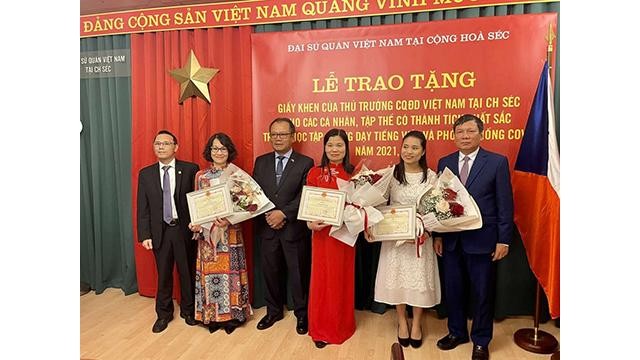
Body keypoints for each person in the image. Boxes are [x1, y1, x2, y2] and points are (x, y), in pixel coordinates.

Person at [433, 114, 514, 360]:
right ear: (454, 135)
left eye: (470, 131)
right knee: (454, 290)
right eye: (460, 132)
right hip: (451, 240)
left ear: (481, 133)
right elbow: (439, 203)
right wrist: (437, 235)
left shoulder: (497, 162)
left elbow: (505, 203)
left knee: (482, 293)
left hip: (483, 240)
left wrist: (504, 239)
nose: (465, 136)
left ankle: (481, 340)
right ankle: (457, 332)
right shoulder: (444, 162)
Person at [367, 130, 441, 349]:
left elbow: (436, 211)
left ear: (423, 151)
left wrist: (426, 232)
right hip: (395, 237)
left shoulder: (432, 176)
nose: (409, 152)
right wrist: (371, 224)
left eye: (415, 148)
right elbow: (377, 203)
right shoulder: (391, 174)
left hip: (420, 239)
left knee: (418, 280)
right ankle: (401, 321)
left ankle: (417, 323)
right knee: (397, 278)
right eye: (405, 147)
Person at [252, 118, 314, 335]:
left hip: (293, 229)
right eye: (274, 134)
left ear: (292, 136)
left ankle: (302, 314)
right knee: (270, 272)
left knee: (298, 274)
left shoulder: (306, 162)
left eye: (282, 134)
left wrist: (283, 213)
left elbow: (305, 195)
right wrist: (270, 215)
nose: (278, 138)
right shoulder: (261, 162)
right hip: (267, 227)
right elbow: (254, 193)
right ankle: (273, 311)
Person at [188, 133, 252, 334]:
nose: (218, 152)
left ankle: (233, 317)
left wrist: (229, 219)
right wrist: (197, 224)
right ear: (209, 151)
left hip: (230, 232)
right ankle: (212, 318)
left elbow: (248, 205)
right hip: (208, 236)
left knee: (231, 275)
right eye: (215, 148)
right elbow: (197, 205)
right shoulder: (201, 176)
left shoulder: (237, 175)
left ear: (229, 151)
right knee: (210, 276)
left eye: (223, 148)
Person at [136, 130, 199, 333]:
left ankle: (188, 311)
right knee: (163, 274)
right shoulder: (145, 174)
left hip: (183, 229)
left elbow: (197, 201)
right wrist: (144, 234)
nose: (161, 147)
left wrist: (198, 224)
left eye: (165, 143)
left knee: (186, 272)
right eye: (157, 143)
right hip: (159, 231)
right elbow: (142, 207)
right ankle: (163, 314)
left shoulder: (190, 170)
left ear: (175, 147)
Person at [306, 128, 356, 348]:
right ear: (324, 148)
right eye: (330, 145)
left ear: (346, 148)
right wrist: (309, 222)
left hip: (345, 236)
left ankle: (341, 325)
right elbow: (308, 205)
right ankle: (320, 328)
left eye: (339, 145)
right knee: (322, 279)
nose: (335, 150)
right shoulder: (314, 173)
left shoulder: (355, 173)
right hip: (322, 235)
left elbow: (360, 205)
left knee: (342, 279)